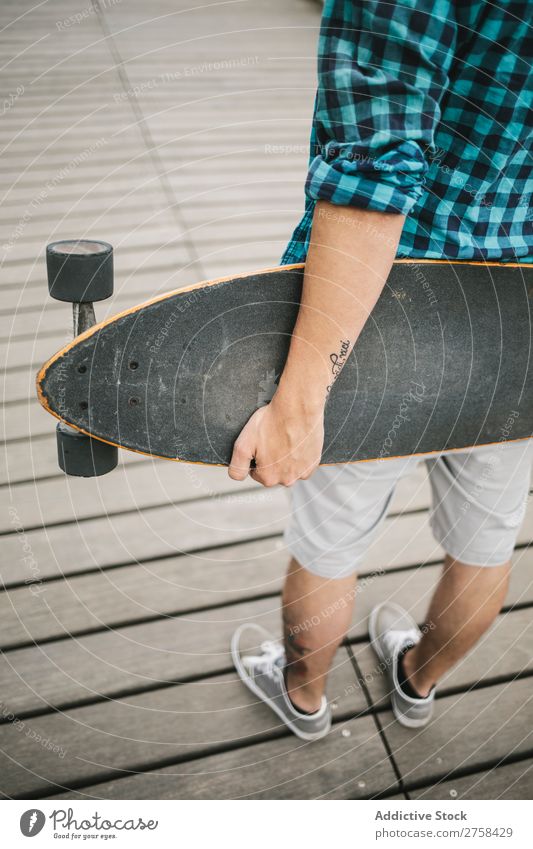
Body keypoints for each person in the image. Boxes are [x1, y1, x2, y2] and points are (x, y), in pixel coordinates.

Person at [228, 0, 533, 739]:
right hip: (520, 317)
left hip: (382, 305)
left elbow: (373, 167)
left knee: (328, 540)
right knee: (485, 543)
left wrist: (297, 406)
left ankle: (302, 696)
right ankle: (417, 681)